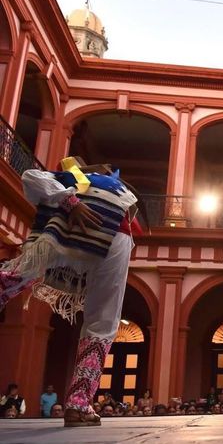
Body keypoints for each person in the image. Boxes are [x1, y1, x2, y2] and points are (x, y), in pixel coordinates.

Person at [0, 157, 140, 426]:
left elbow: (32, 177)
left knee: (20, 276)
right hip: (107, 234)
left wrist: (70, 200)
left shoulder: (78, 180)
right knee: (102, 321)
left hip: (89, 233)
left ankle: (78, 403)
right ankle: (78, 403)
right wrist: (71, 200)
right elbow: (31, 176)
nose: (108, 170)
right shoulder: (79, 179)